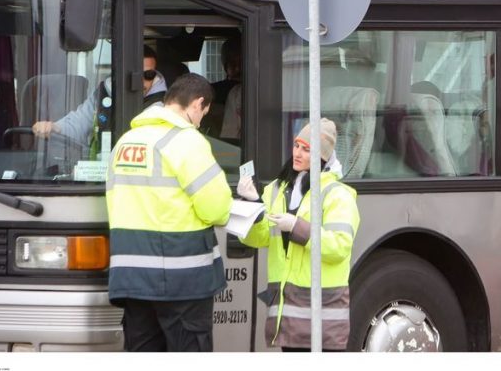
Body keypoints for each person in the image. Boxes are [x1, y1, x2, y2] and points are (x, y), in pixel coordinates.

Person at [106, 73, 232, 352]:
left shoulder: (126, 142)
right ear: (197, 104)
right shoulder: (188, 141)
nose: (200, 122)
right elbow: (217, 208)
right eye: (204, 114)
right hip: (181, 278)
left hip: (132, 278)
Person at [237, 118, 359, 351]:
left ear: (322, 156)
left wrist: (296, 227)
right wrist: (253, 205)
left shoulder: (338, 194)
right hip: (289, 317)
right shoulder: (276, 188)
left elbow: (339, 247)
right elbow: (259, 238)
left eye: (307, 149)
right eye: (296, 146)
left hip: (323, 320)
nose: (298, 153)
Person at [32, 46, 167, 155]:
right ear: (120, 72)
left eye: (148, 75)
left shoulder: (165, 104)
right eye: (134, 75)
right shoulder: (103, 93)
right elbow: (79, 122)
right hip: (102, 171)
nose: (140, 81)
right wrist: (54, 128)